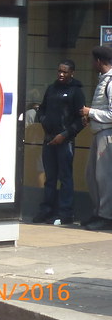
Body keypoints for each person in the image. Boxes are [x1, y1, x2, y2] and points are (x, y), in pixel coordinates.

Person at [32, 60, 85, 226]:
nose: (61, 74)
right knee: (50, 178)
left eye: (65, 72)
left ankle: (65, 214)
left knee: (65, 178)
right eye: (59, 71)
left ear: (72, 73)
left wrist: (65, 134)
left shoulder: (76, 91)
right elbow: (42, 109)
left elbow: (81, 120)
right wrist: (43, 120)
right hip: (49, 139)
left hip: (65, 141)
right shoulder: (51, 88)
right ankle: (46, 211)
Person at [81, 45, 112, 231]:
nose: (92, 63)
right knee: (92, 175)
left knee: (104, 177)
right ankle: (99, 212)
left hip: (107, 135)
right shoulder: (104, 80)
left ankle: (106, 216)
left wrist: (90, 112)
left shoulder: (110, 82)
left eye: (93, 60)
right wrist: (90, 117)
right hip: (98, 132)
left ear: (99, 61)